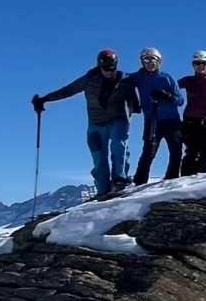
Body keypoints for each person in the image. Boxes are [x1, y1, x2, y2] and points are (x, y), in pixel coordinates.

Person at [31, 49, 137, 197]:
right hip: (96, 124)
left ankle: (119, 181)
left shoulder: (125, 80)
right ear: (100, 66)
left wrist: (135, 106)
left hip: (118, 120)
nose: (110, 72)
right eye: (106, 68)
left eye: (113, 68)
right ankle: (102, 190)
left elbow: (133, 99)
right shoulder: (89, 79)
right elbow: (68, 90)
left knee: (119, 147)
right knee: (99, 157)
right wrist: (44, 99)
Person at [127, 47, 185, 185]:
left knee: (176, 151)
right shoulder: (137, 77)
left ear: (159, 62)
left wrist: (167, 96)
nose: (150, 64)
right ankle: (139, 182)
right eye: (146, 60)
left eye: (153, 60)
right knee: (148, 152)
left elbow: (180, 101)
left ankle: (172, 180)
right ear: (142, 62)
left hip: (172, 121)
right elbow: (121, 80)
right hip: (151, 120)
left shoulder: (167, 78)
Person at [178, 51, 206, 176]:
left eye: (204, 63)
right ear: (193, 65)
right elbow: (173, 87)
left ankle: (199, 179)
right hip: (191, 120)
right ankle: (184, 179)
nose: (201, 66)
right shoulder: (188, 80)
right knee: (191, 151)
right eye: (198, 63)